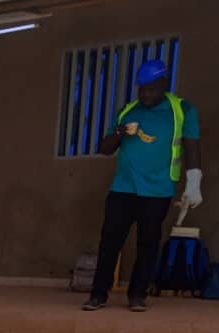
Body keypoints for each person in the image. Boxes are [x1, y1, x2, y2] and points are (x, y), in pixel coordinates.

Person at [82, 59, 202, 313]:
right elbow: (105, 149)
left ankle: (137, 295)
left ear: (164, 85)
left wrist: (194, 182)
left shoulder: (182, 109)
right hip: (123, 189)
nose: (145, 94)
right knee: (109, 242)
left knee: (148, 244)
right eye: (141, 89)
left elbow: (191, 146)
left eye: (151, 88)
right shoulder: (128, 110)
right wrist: (119, 132)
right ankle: (97, 294)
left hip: (158, 190)